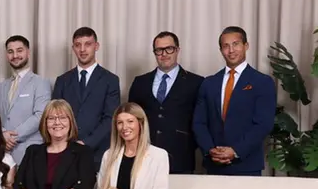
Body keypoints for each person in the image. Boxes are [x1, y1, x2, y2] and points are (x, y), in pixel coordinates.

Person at [192, 26, 276, 176]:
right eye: (226, 46)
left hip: (247, 165)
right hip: (214, 164)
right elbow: (199, 122)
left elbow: (263, 124)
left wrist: (236, 151)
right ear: (221, 50)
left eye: (235, 44)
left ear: (246, 46)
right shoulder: (209, 83)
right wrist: (210, 150)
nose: (231, 50)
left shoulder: (262, 82)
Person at [128, 31, 204, 174]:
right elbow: (131, 119)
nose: (164, 54)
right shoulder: (140, 82)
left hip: (181, 157)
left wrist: (188, 144)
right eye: (159, 50)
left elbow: (201, 121)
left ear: (177, 50)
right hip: (144, 156)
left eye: (169, 49)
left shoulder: (196, 82)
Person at [52, 26, 120, 167]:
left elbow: (110, 118)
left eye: (87, 44)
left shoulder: (110, 80)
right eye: (78, 45)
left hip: (98, 154)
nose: (82, 49)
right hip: (65, 151)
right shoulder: (62, 80)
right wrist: (67, 144)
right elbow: (55, 116)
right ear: (73, 48)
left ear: (96, 46)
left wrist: (86, 143)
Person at [0, 35, 51, 164]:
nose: (15, 55)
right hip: (1, 152)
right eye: (10, 51)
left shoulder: (41, 83)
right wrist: (2, 135)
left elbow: (40, 115)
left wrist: (11, 137)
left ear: (28, 52)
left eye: (19, 50)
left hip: (29, 152)